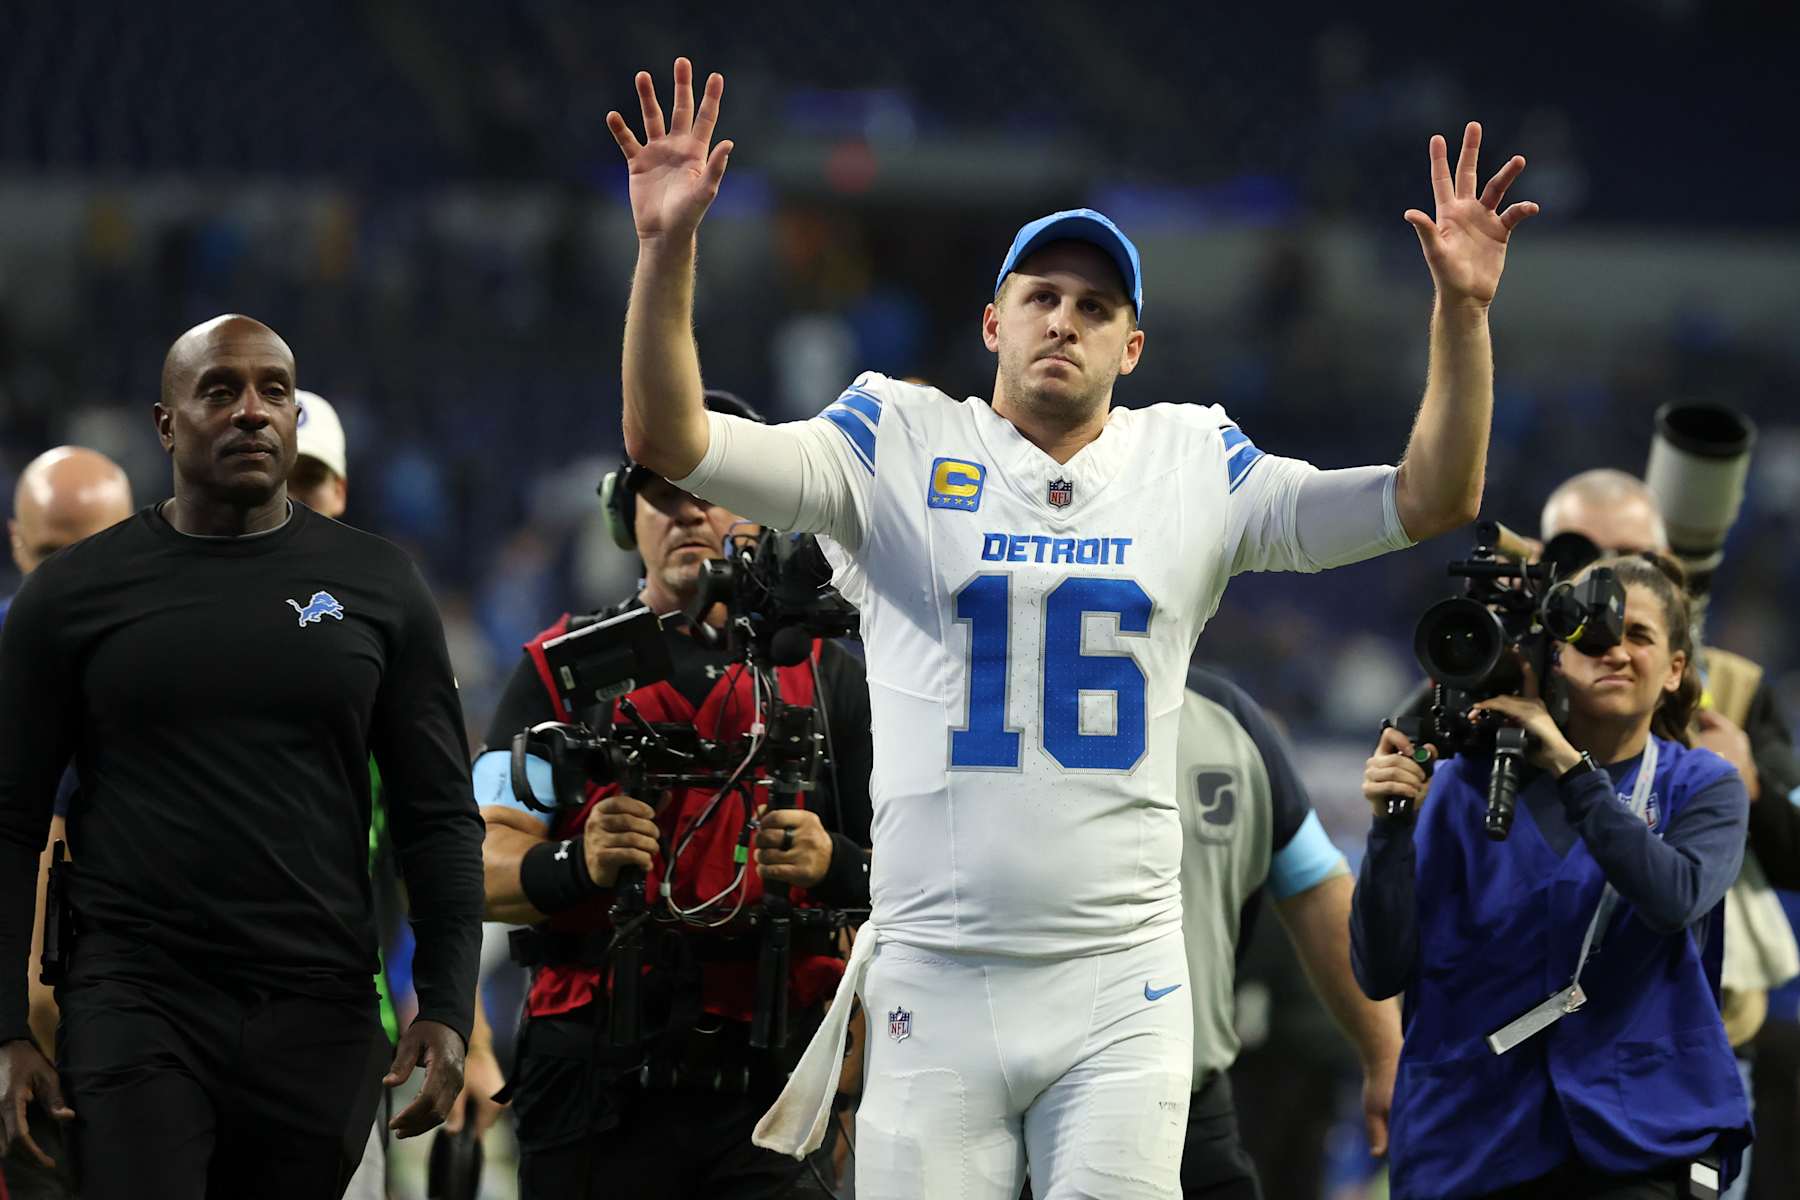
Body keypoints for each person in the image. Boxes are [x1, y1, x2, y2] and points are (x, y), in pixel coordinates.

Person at [608, 57, 1534, 1198]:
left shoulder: (1193, 458)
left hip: (1119, 982)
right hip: (935, 977)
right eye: (1042, 296)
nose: (1065, 320)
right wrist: (665, 250)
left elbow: (1430, 497)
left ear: (1132, 350)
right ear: (993, 321)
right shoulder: (891, 437)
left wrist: (1465, 311)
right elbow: (671, 439)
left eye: (1097, 307)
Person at [0, 315, 484, 1199]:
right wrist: (5, 1028)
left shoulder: (382, 587)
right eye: (220, 391)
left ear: (298, 416)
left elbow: (440, 816)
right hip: (135, 1001)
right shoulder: (71, 595)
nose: (252, 411)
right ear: (165, 423)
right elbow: (8, 820)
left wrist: (451, 1006)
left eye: (274, 391)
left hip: (320, 1011)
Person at [476, 391, 874, 1199]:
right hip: (591, 1083)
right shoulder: (557, 670)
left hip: (772, 1087)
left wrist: (833, 863)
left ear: (766, 514)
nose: (690, 513)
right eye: (664, 492)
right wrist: (575, 863)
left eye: (716, 489)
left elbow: (910, 881)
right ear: (629, 522)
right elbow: (479, 864)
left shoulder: (834, 681)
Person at [1352, 553, 1752, 1199]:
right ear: (1556, 655)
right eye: (1594, 637)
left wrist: (1570, 768)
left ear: (1677, 670)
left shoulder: (1702, 787)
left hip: (1638, 1138)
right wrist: (1389, 830)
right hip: (1474, 1139)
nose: (1616, 652)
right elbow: (1380, 970)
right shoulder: (1458, 788)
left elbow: (1672, 898)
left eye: (1640, 637)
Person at [1538, 468, 1800, 1200]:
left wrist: (1752, 783)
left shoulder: (1737, 687)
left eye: (1627, 554)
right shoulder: (1506, 673)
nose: (1603, 574)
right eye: (1578, 551)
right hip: (1530, 1049)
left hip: (1687, 1039)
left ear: (1666, 565)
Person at [285, 389, 509, 1200]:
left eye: (310, 480)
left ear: (340, 494)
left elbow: (432, 845)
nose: (291, 496)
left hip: (345, 1041)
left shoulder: (386, 641)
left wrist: (468, 1031)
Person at [1174, 666, 1401, 1199]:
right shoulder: (1222, 712)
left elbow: (1316, 883)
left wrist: (1386, 1054)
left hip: (1199, 1088)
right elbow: (1316, 884)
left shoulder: (1229, 718)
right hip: (1206, 1074)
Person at [0, 447, 133, 1200]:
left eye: (89, 552)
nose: (66, 577)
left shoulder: (189, 670)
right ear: (15, 541)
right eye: (49, 554)